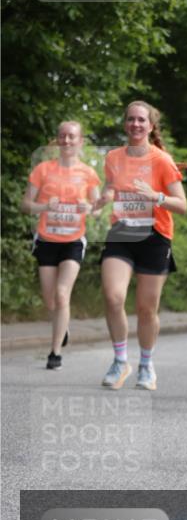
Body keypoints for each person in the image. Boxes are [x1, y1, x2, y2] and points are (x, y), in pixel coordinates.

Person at [95, 101, 187, 391]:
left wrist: (155, 197)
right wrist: (102, 200)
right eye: (131, 119)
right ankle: (121, 360)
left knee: (147, 309)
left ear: (150, 126)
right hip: (122, 232)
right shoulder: (113, 157)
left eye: (141, 120)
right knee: (113, 297)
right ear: (126, 124)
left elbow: (182, 205)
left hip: (155, 236)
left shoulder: (161, 160)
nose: (135, 124)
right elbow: (111, 187)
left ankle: (146, 364)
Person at [21, 121, 101, 370]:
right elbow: (25, 205)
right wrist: (45, 207)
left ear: (81, 141)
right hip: (46, 240)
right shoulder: (43, 170)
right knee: (51, 301)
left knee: (61, 293)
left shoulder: (88, 173)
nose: (67, 140)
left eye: (72, 136)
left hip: (73, 241)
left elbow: (97, 209)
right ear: (57, 140)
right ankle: (61, 327)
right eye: (63, 136)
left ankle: (55, 352)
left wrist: (89, 208)